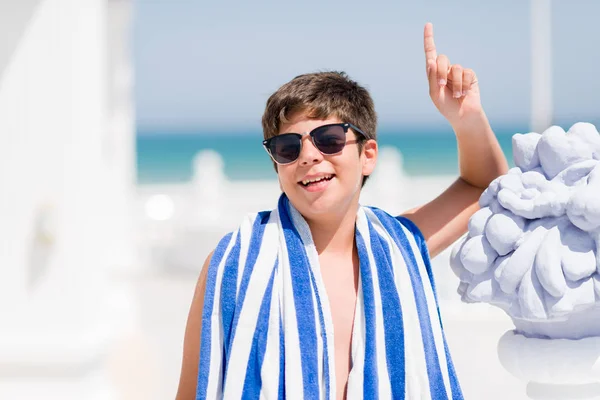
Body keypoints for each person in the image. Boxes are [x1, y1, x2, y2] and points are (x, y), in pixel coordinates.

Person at [176, 23, 508, 400]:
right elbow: (193, 391)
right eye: (288, 147)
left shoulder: (399, 245)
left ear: (367, 156)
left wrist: (466, 118)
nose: (309, 156)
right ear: (277, 164)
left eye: (329, 139)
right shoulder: (232, 264)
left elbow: (485, 185)